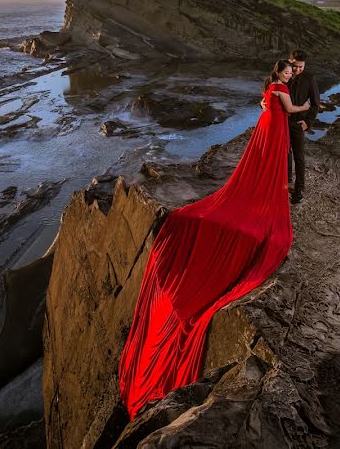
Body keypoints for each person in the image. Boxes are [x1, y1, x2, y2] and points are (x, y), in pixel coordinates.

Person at [118, 59, 310, 420]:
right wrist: (307, 108)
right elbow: (290, 108)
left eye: (290, 71)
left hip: (266, 127)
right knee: (272, 167)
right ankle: (270, 194)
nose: (288, 75)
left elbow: (266, 106)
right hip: (276, 126)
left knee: (264, 163)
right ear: (281, 73)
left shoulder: (269, 87)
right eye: (286, 71)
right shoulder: (281, 90)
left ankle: (265, 190)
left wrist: (284, 100)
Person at [261, 50, 320, 204]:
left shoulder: (309, 78)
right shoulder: (283, 74)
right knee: (284, 153)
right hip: (281, 122)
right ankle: (285, 183)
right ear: (290, 61)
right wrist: (262, 103)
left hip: (298, 123)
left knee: (299, 156)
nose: (298, 70)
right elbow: (268, 93)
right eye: (295, 66)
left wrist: (308, 123)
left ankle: (299, 190)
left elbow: (315, 104)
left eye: (301, 67)